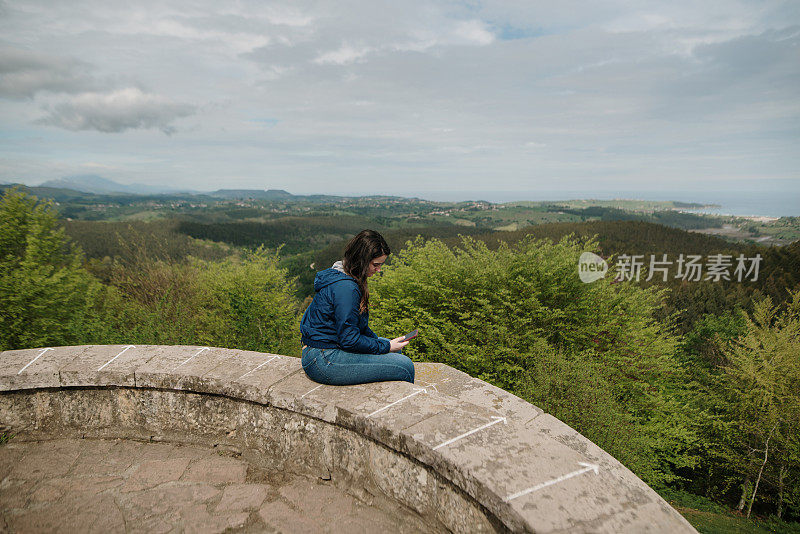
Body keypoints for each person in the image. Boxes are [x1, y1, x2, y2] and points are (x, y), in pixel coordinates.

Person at [300, 230, 414, 385]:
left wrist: (386, 344)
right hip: (323, 357)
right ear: (361, 260)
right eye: (376, 264)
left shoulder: (345, 274)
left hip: (326, 347)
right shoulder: (346, 288)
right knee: (405, 366)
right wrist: (385, 346)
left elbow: (356, 327)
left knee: (396, 349)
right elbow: (349, 339)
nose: (379, 270)